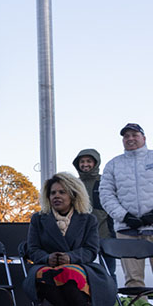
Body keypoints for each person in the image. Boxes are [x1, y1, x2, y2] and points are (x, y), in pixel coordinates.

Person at [24, 173, 116, 306]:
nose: (56, 196)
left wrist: (70, 257)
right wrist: (47, 258)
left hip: (79, 265)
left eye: (62, 192)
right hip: (47, 266)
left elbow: (90, 250)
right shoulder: (38, 219)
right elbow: (33, 249)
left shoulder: (89, 220)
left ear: (73, 195)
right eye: (53, 193)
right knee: (46, 276)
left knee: (69, 275)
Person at [99, 123, 153, 291]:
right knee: (133, 280)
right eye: (126, 136)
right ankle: (138, 303)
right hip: (127, 229)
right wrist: (124, 216)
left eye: (134, 135)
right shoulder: (113, 164)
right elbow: (106, 194)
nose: (130, 139)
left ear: (143, 138)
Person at [73, 148, 116, 280]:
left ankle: (112, 299)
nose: (85, 164)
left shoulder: (105, 181)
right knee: (82, 271)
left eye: (89, 161)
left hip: (105, 233)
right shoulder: (73, 184)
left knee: (109, 272)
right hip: (80, 236)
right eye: (82, 161)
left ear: (96, 163)